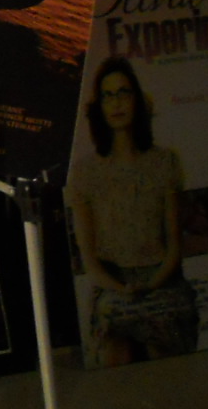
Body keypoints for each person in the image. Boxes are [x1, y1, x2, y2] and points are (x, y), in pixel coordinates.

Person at [68, 56, 200, 366]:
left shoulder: (164, 162)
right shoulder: (86, 173)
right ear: (98, 105)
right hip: (113, 284)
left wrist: (152, 284)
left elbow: (173, 247)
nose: (116, 103)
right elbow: (89, 260)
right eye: (108, 95)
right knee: (117, 353)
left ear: (137, 99)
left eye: (124, 93)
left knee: (164, 354)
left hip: (162, 280)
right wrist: (121, 288)